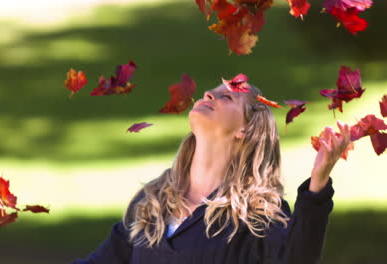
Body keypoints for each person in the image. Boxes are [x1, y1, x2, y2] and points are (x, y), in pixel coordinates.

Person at [71, 83, 351, 264]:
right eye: (213, 90)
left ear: (245, 130)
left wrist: (318, 185)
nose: (208, 94)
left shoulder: (256, 214)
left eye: (227, 96)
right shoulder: (152, 202)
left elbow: (296, 259)